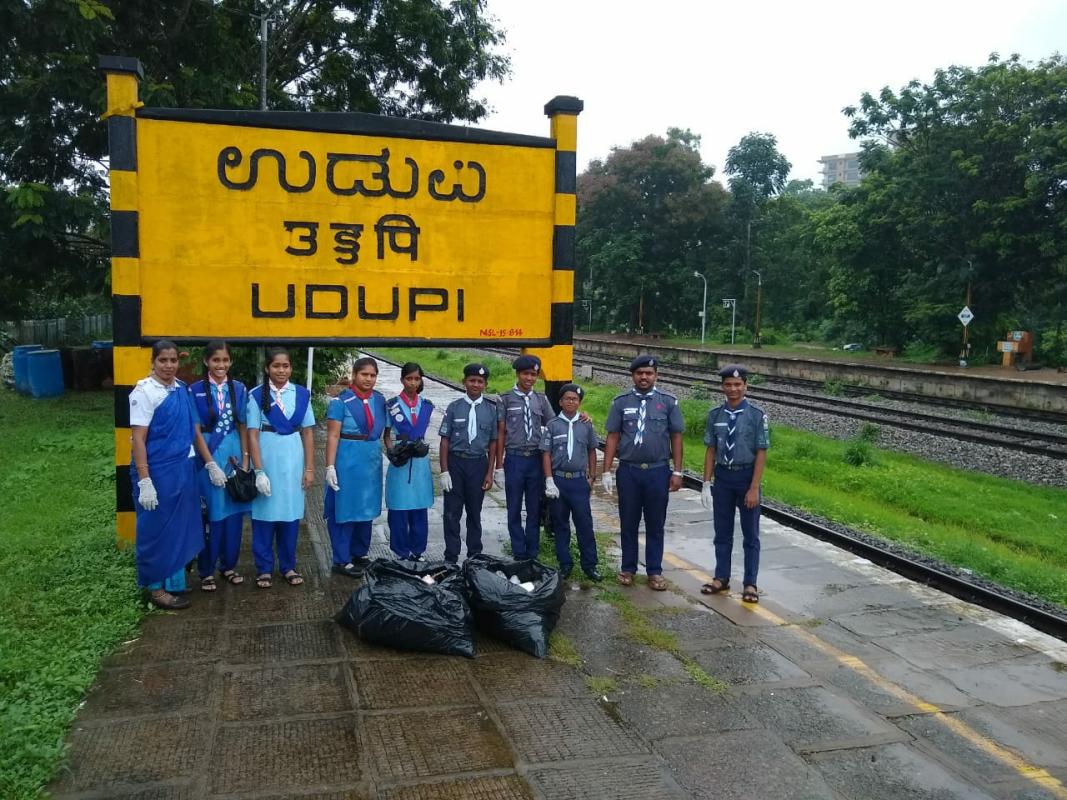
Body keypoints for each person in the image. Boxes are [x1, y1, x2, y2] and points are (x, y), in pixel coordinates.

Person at [129, 340, 203, 609]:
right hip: (157, 470)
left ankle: (175, 581)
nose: (169, 366)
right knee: (156, 529)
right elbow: (138, 439)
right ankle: (155, 589)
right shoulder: (144, 393)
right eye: (163, 361)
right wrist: (145, 479)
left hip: (182, 468)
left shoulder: (180, 389)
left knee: (180, 525)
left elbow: (192, 431)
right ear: (153, 361)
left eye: (173, 361)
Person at [602, 354, 685, 591]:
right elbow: (613, 437)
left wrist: (678, 472)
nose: (644, 377)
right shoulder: (620, 402)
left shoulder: (668, 402)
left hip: (658, 472)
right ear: (633, 376)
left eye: (649, 373)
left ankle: (654, 571)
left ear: (656, 375)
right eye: (640, 373)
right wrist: (606, 471)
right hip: (629, 471)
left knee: (655, 523)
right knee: (628, 521)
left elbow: (676, 437)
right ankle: (628, 568)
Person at [700, 365, 769, 604]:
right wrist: (706, 482)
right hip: (724, 478)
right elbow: (711, 450)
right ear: (722, 387)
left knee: (751, 535)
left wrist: (753, 487)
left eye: (738, 385)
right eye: (728, 385)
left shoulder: (756, 416)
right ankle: (721, 577)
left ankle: (750, 584)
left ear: (746, 386)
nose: (733, 389)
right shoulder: (715, 415)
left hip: (746, 477)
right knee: (722, 532)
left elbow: (761, 452)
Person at [247, 347, 315, 589]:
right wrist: (259, 470)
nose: (281, 370)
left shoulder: (301, 394)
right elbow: (252, 434)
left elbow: (307, 432)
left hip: (293, 458)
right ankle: (264, 568)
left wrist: (309, 468)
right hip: (268, 456)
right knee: (264, 515)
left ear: (291, 368)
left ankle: (288, 565)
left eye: (285, 366)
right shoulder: (256, 395)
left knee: (290, 514)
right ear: (267, 368)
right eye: (276, 366)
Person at [190, 341, 250, 591]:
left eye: (225, 360)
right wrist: (210, 463)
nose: (221, 365)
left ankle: (229, 566)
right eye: (216, 360)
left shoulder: (238, 389)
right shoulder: (193, 390)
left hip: (234, 454)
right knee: (212, 514)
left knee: (234, 514)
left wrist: (246, 459)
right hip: (208, 454)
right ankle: (206, 570)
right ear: (206, 362)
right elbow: (194, 430)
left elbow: (244, 425)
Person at [324, 356, 388, 577]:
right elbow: (332, 436)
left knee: (366, 507)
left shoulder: (379, 400)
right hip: (347, 458)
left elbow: (387, 431)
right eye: (364, 374)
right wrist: (330, 466)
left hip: (370, 459)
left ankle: (359, 553)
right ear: (354, 375)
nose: (368, 379)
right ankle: (341, 559)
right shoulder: (340, 402)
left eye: (372, 375)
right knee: (345, 509)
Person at [495, 354, 555, 559]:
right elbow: (501, 433)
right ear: (518, 374)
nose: (530, 378)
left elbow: (554, 424)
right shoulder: (505, 399)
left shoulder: (541, 399)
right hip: (514, 459)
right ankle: (518, 551)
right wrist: (499, 465)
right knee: (513, 507)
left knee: (533, 508)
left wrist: (581, 418)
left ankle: (532, 551)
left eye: (534, 375)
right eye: (526, 374)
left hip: (535, 461)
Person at [438, 363, 498, 564]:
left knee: (474, 511)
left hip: (478, 465)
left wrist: (490, 473)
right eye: (472, 380)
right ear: (464, 382)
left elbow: (493, 443)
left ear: (485, 384)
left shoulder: (491, 410)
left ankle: (475, 554)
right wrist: (444, 470)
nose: (475, 384)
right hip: (456, 464)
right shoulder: (454, 407)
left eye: (480, 381)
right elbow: (445, 440)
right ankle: (451, 555)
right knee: (452, 512)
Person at [541, 383, 602, 581]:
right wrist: (549, 479)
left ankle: (590, 565)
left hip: (578, 482)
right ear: (560, 402)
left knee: (584, 524)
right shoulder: (552, 425)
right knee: (560, 524)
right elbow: (546, 454)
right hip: (558, 481)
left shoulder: (586, 424)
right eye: (567, 399)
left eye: (575, 399)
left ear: (579, 403)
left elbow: (592, 451)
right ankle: (565, 563)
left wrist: (592, 477)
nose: (571, 402)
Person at [383, 362, 434, 561]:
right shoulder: (392, 405)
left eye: (416, 379)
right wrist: (391, 451)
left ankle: (418, 551)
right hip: (401, 461)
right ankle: (401, 551)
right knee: (399, 508)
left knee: (419, 507)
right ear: (402, 379)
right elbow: (387, 434)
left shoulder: (426, 405)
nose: (412, 383)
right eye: (409, 378)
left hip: (420, 462)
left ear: (421, 380)